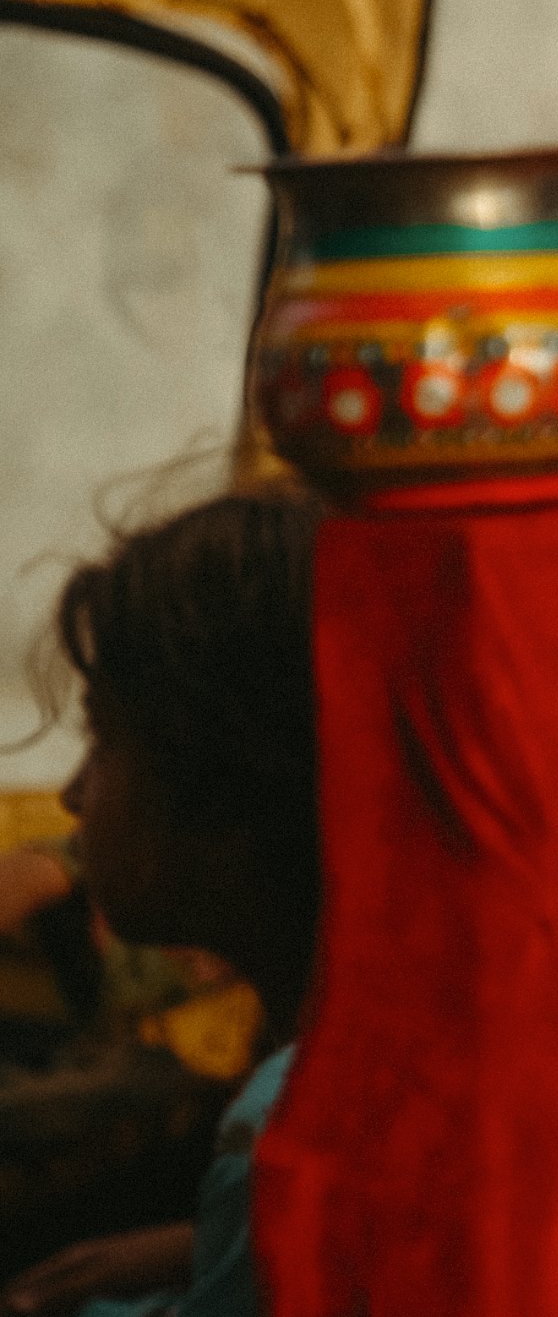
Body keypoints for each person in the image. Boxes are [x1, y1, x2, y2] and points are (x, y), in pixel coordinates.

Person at [2, 489, 322, 1317]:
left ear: (224, 796)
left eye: (103, 741)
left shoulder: (295, 1133)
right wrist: (203, 1246)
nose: (71, 793)